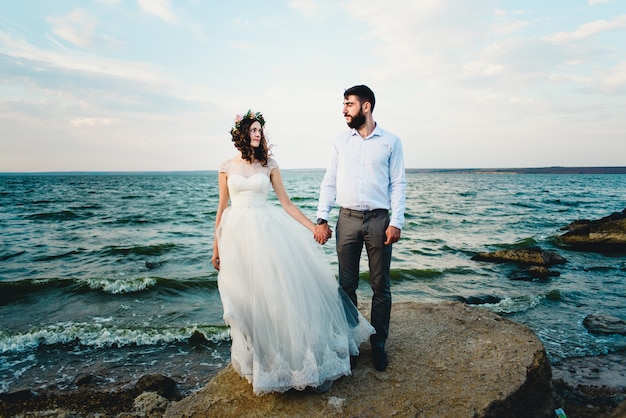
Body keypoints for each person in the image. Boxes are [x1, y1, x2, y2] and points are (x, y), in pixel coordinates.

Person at [212, 109, 374, 395]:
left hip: (265, 231)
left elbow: (286, 204)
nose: (257, 134)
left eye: (260, 130)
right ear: (241, 134)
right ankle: (259, 360)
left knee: (274, 298)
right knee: (244, 301)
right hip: (236, 236)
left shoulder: (269, 164)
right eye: (252, 129)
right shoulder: (226, 167)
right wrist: (216, 245)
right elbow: (222, 208)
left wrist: (313, 226)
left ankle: (286, 362)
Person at [314, 85, 406, 372]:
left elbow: (398, 183)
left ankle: (378, 344)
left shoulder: (391, 142)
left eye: (349, 104)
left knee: (381, 285)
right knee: (347, 286)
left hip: (379, 220)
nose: (344, 110)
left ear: (366, 107)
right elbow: (329, 180)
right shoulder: (340, 142)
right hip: (348, 219)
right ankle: (352, 343)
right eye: (344, 104)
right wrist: (322, 217)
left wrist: (396, 221)